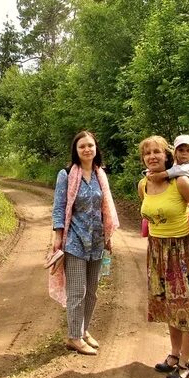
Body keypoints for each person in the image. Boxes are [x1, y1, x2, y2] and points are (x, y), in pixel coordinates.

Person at [138, 135, 189, 378]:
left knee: (185, 308)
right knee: (170, 307)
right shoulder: (143, 185)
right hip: (157, 252)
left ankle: (186, 362)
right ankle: (173, 355)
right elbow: (152, 215)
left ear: (167, 155)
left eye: (157, 152)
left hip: (181, 254)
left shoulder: (180, 182)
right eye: (147, 153)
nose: (152, 156)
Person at [50, 131, 119, 356]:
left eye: (90, 145)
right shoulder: (67, 174)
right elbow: (60, 207)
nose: (87, 149)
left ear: (96, 148)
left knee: (92, 293)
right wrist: (58, 236)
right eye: (82, 146)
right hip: (75, 241)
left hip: (97, 241)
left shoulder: (101, 175)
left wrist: (108, 237)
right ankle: (73, 337)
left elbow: (105, 209)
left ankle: (83, 329)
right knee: (77, 291)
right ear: (76, 150)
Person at [146, 134, 189, 274]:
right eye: (181, 150)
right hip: (177, 203)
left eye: (188, 150)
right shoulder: (174, 165)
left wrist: (160, 175)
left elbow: (176, 172)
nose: (184, 153)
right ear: (175, 152)